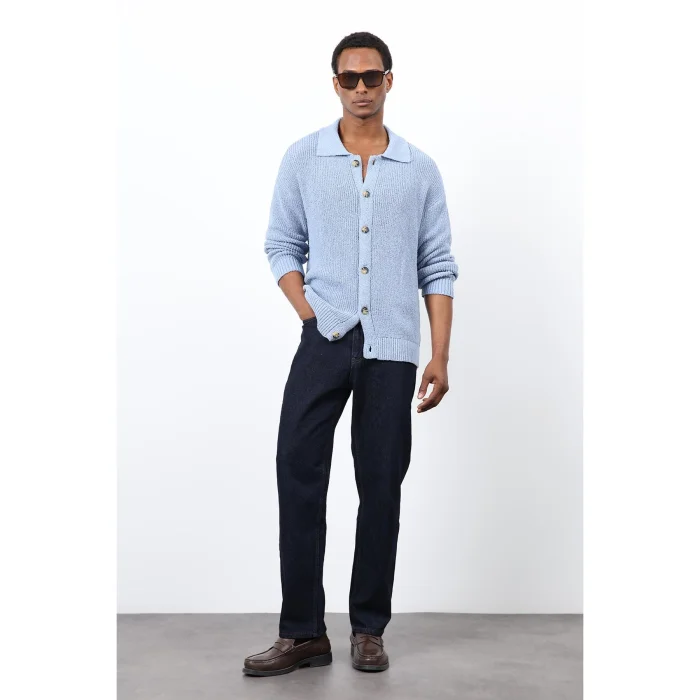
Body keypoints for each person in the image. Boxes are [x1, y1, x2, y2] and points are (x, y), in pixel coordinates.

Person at [243, 31, 459, 677]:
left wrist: (439, 356)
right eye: (349, 78)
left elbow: (437, 265)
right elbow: (282, 245)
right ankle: (303, 633)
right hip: (324, 340)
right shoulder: (303, 158)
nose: (360, 88)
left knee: (381, 485)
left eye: (371, 77)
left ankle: (369, 628)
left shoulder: (419, 169)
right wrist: (311, 313)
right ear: (334, 83)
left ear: (389, 81)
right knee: (297, 472)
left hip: (392, 348)